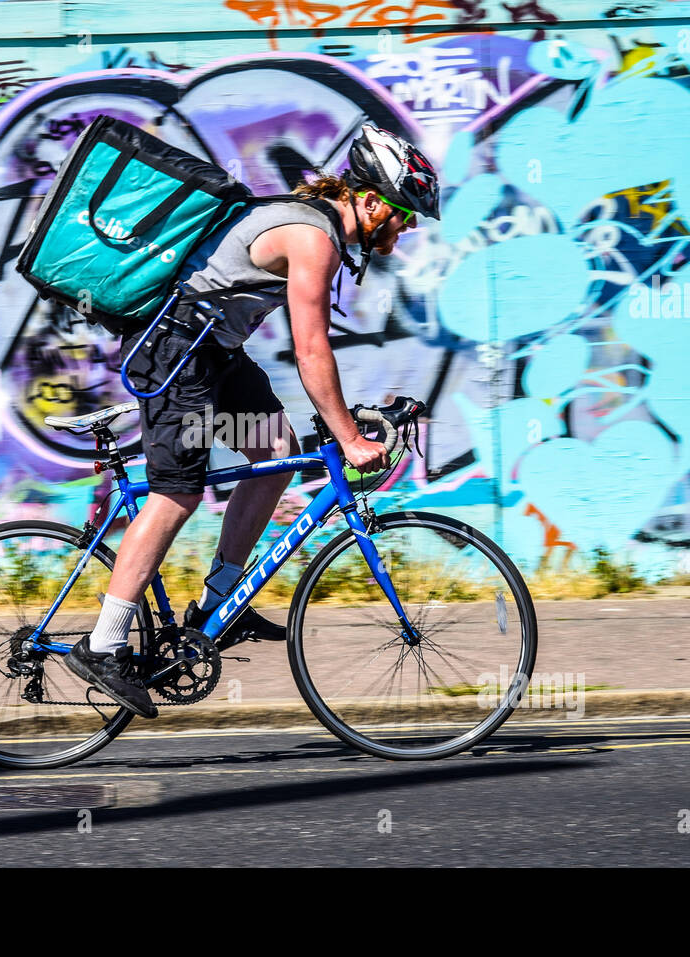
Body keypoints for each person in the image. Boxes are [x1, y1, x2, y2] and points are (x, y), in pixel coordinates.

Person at [66, 125, 441, 717]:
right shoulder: (313, 237)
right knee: (176, 494)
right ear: (372, 202)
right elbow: (312, 348)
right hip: (176, 350)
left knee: (273, 456)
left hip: (212, 352)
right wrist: (348, 438)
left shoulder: (316, 225)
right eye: (405, 214)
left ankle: (221, 602)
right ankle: (103, 644)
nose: (408, 228)